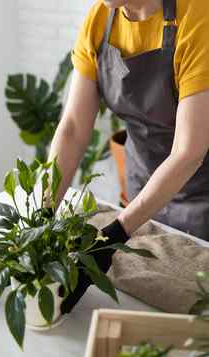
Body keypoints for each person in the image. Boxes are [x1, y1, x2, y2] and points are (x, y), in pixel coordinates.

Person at [45, 0, 209, 313]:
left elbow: (189, 152)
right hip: (143, 192)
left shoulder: (198, 15)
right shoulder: (100, 20)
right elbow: (73, 129)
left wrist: (118, 231)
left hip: (203, 197)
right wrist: (44, 209)